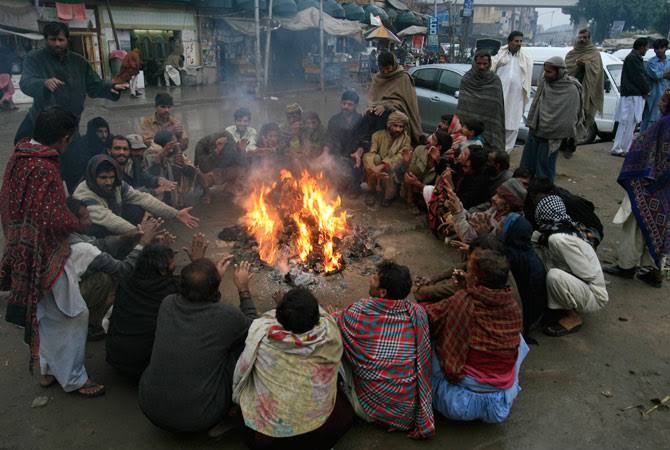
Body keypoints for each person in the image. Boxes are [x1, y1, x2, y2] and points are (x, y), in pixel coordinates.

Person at [36, 200, 160, 396]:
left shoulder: (55, 235)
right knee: (74, 327)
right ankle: (75, 381)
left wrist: (128, 235)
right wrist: (142, 245)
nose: (89, 220)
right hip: (67, 298)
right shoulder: (83, 250)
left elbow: (97, 243)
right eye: (85, 217)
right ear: (70, 220)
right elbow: (123, 270)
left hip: (46, 295)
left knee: (50, 328)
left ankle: (48, 372)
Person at [0, 107, 81, 370]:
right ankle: (73, 377)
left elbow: (7, 199)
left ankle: (46, 367)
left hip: (18, 243)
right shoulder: (44, 167)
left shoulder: (20, 154)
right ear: (65, 139)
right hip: (43, 252)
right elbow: (53, 220)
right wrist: (79, 222)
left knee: (44, 312)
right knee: (74, 313)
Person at [139, 258, 257, 433]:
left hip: (149, 407)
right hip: (200, 417)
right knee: (244, 346)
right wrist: (243, 289)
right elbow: (256, 329)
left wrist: (212, 282)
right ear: (215, 287)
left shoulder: (167, 303)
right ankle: (233, 411)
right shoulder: (226, 316)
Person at [233, 288, 353, 449]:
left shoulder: (261, 335)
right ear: (315, 318)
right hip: (318, 433)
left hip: (270, 438)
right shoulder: (330, 331)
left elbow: (242, 372)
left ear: (279, 317)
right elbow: (321, 312)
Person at [423, 248, 527, 424]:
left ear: (477, 279)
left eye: (469, 271)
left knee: (425, 341)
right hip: (501, 403)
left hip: (458, 404)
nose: (465, 273)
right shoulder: (512, 305)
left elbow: (427, 316)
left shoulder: (463, 301)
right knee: (521, 342)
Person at [336, 261, 435, 439]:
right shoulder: (418, 312)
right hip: (407, 412)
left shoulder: (358, 312)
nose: (370, 280)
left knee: (336, 345)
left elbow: (336, 323)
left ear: (383, 292)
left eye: (374, 278)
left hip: (372, 410)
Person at [106, 234, 207, 379]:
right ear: (161, 270)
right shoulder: (173, 292)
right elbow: (207, 300)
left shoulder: (126, 281)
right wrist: (199, 264)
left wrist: (158, 251)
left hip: (117, 358)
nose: (175, 264)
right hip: (147, 366)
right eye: (172, 262)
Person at [15, 22, 127, 143]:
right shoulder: (35, 58)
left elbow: (94, 85)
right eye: (52, 39)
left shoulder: (79, 61)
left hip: (71, 123)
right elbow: (26, 82)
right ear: (46, 39)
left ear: (67, 40)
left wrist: (111, 86)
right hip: (41, 123)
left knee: (72, 157)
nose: (57, 43)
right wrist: (43, 83)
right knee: (31, 153)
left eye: (60, 39)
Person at [604, 91, 670, 288]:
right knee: (661, 226)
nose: (659, 103)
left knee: (633, 224)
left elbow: (644, 147)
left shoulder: (664, 124)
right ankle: (655, 270)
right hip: (666, 187)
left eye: (664, 100)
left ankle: (627, 266)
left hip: (650, 183)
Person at [533, 196, 609, 336]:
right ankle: (562, 303)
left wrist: (561, 275)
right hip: (582, 285)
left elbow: (588, 275)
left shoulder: (558, 239)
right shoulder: (560, 229)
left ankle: (573, 317)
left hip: (594, 293)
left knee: (554, 276)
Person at [73, 155, 199, 237]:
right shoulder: (83, 195)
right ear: (93, 177)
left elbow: (142, 198)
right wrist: (143, 234)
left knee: (137, 208)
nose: (109, 182)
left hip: (115, 220)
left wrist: (175, 213)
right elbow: (110, 220)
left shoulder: (117, 184)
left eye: (111, 177)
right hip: (92, 236)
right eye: (103, 178)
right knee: (96, 229)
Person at [521, 56, 583, 182]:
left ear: (559, 72)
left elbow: (570, 117)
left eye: (549, 72)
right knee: (527, 167)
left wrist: (553, 129)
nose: (546, 74)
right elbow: (537, 105)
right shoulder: (544, 83)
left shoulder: (571, 89)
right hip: (535, 131)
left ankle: (545, 194)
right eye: (545, 71)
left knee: (544, 170)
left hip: (552, 137)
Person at [502, 213, 548, 335]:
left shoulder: (514, 258)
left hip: (526, 316)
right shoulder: (524, 250)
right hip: (534, 311)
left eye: (503, 225)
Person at [448, 177, 527, 244]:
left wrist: (458, 213)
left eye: (500, 196)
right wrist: (457, 205)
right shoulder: (495, 210)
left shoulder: (508, 223)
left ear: (509, 204)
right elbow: (473, 219)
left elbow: (468, 237)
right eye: (496, 194)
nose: (494, 198)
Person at [492, 31, 534, 152]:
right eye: (516, 41)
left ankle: (505, 154)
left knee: (512, 126)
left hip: (516, 99)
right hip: (500, 97)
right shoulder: (500, 56)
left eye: (521, 41)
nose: (519, 43)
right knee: (497, 125)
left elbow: (527, 81)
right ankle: (495, 154)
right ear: (509, 42)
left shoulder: (526, 59)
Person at [456, 50, 506, 152]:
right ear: (474, 63)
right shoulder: (467, 79)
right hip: (469, 127)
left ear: (489, 64)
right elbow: (463, 106)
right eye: (479, 63)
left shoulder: (495, 80)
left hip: (489, 125)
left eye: (485, 64)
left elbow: (496, 108)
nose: (481, 67)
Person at [368, 51, 422, 143]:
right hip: (377, 111)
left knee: (384, 117)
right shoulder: (378, 78)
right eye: (383, 69)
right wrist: (370, 107)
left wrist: (386, 106)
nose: (386, 71)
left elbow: (406, 103)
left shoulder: (403, 77)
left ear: (394, 64)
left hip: (398, 112)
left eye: (388, 68)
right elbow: (372, 98)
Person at [146, 129, 210, 206]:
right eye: (173, 141)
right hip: (156, 187)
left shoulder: (176, 151)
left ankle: (205, 192)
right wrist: (163, 154)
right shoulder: (150, 152)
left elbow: (192, 172)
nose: (176, 143)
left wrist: (182, 164)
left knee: (196, 171)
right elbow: (151, 172)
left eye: (175, 140)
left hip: (173, 184)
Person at [362, 111, 412, 207]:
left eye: (401, 127)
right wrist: (373, 169)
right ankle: (372, 192)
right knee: (372, 158)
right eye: (395, 126)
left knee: (392, 168)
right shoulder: (378, 135)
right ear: (389, 125)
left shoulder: (406, 139)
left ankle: (388, 196)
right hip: (377, 167)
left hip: (393, 169)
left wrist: (383, 165)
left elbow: (400, 157)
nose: (398, 129)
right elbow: (371, 153)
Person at [611, 38, 651, 157]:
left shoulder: (634, 58)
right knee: (626, 121)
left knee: (631, 122)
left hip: (634, 94)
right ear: (641, 47)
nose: (647, 50)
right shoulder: (633, 58)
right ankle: (619, 148)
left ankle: (624, 147)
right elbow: (638, 77)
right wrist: (646, 90)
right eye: (646, 47)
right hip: (632, 95)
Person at [107, 134, 176, 195]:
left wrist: (157, 180)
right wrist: (153, 191)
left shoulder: (135, 162)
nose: (139, 153)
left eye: (141, 149)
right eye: (135, 150)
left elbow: (143, 175)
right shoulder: (110, 167)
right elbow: (125, 191)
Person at [565, 29, 604, 138]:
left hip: (586, 94)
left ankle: (571, 144)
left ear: (589, 38)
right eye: (580, 37)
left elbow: (597, 71)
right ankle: (564, 142)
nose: (582, 40)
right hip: (571, 92)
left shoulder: (595, 54)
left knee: (580, 119)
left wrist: (586, 65)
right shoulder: (572, 54)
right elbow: (566, 70)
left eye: (585, 37)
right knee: (567, 118)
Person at [325, 90, 364, 195]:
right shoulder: (334, 120)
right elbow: (329, 139)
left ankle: (354, 186)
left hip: (355, 154)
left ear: (355, 106)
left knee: (353, 190)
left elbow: (363, 141)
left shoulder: (361, 120)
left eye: (349, 104)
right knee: (331, 166)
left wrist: (358, 153)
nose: (346, 107)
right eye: (344, 103)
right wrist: (325, 154)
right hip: (338, 153)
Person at [61, 117, 112, 194]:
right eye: (100, 132)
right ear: (93, 132)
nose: (104, 135)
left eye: (106, 131)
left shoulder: (106, 145)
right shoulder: (79, 148)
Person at [403, 128, 452, 208]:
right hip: (413, 186)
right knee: (411, 171)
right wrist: (406, 162)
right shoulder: (420, 149)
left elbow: (436, 189)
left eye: (433, 139)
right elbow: (410, 169)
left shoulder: (443, 164)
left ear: (439, 147)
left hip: (427, 191)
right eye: (431, 136)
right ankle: (410, 200)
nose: (429, 139)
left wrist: (417, 184)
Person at [640, 39, 670, 132]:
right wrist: (664, 75)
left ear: (666, 48)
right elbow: (656, 75)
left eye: (661, 48)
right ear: (654, 50)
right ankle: (646, 142)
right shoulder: (651, 62)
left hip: (668, 94)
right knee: (652, 119)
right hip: (655, 95)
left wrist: (664, 75)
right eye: (657, 48)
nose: (659, 50)